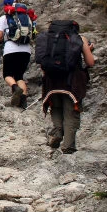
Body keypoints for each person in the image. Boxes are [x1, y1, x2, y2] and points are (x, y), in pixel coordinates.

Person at [40, 24, 96, 154]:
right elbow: (90, 63)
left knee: (56, 108)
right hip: (72, 83)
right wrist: (87, 49)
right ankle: (68, 146)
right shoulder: (80, 39)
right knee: (71, 113)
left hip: (51, 83)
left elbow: (43, 64)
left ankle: (57, 132)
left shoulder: (49, 39)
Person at [0, 0, 32, 108]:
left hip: (11, 49)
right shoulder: (26, 17)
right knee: (19, 75)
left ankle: (15, 88)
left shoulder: (4, 18)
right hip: (26, 50)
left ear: (7, 6)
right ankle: (23, 103)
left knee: (7, 74)